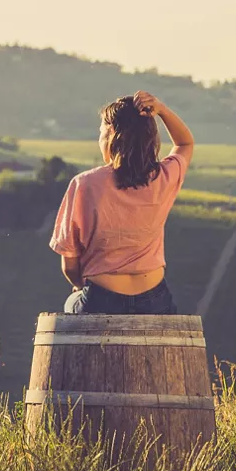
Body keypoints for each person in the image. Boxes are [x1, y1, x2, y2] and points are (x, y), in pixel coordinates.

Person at [49, 91, 195, 314]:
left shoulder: (84, 184)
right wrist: (162, 109)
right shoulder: (164, 177)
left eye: (100, 132)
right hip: (155, 299)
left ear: (111, 134)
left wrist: (80, 287)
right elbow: (185, 143)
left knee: (71, 304)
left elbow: (69, 264)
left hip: (101, 298)